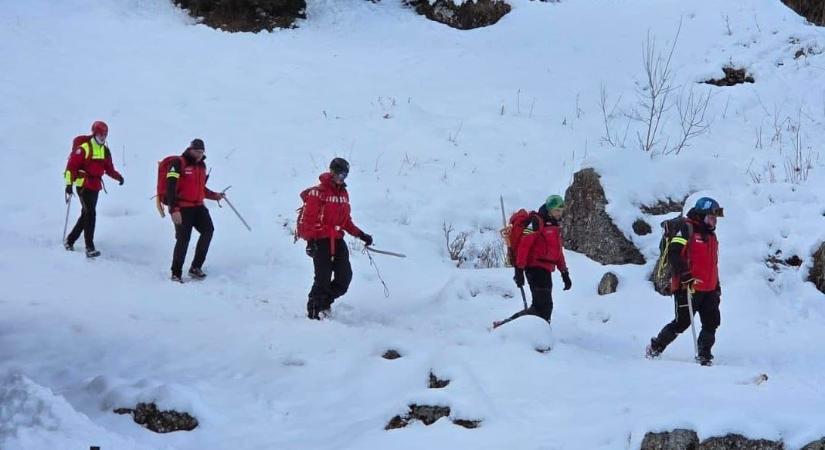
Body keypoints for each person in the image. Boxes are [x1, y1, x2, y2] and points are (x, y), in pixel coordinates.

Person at [646, 197, 723, 366]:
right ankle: (656, 346)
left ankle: (704, 355)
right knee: (682, 323)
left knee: (712, 322)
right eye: (711, 217)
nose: (714, 220)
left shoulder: (711, 236)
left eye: (715, 218)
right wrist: (685, 274)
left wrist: (716, 285)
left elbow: (712, 264)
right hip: (688, 287)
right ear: (701, 215)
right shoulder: (686, 229)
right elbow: (674, 253)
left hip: (709, 288)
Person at [298, 158, 373, 319]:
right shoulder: (317, 193)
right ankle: (314, 310)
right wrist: (310, 241)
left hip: (338, 240)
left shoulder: (343, 193)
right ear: (332, 172)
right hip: (321, 240)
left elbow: (345, 221)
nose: (342, 178)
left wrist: (361, 235)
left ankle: (325, 302)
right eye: (340, 174)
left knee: (344, 278)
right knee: (322, 278)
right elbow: (308, 220)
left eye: (345, 175)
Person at [496, 195, 572, 327]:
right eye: (557, 210)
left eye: (561, 210)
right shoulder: (536, 222)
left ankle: (527, 330)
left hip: (546, 269)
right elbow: (524, 245)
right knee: (542, 306)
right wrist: (519, 270)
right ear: (549, 209)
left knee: (543, 306)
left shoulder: (554, 226)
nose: (560, 213)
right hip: (534, 267)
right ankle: (511, 327)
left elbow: (558, 252)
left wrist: (564, 273)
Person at [165, 138, 224, 282]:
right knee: (183, 239)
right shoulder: (178, 163)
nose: (199, 154)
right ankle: (176, 272)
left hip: (198, 207)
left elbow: (200, 188)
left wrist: (214, 195)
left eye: (201, 152)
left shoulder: (201, 166)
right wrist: (174, 209)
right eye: (197, 151)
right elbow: (170, 187)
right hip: (182, 208)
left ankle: (196, 267)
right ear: (190, 149)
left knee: (208, 230)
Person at [64, 120, 124, 258]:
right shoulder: (83, 148)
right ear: (94, 133)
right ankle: (89, 247)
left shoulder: (105, 150)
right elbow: (71, 168)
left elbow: (109, 169)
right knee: (90, 213)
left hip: (95, 186)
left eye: (105, 134)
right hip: (83, 185)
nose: (103, 137)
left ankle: (70, 240)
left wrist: (119, 177)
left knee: (86, 214)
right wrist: (68, 185)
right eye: (100, 134)